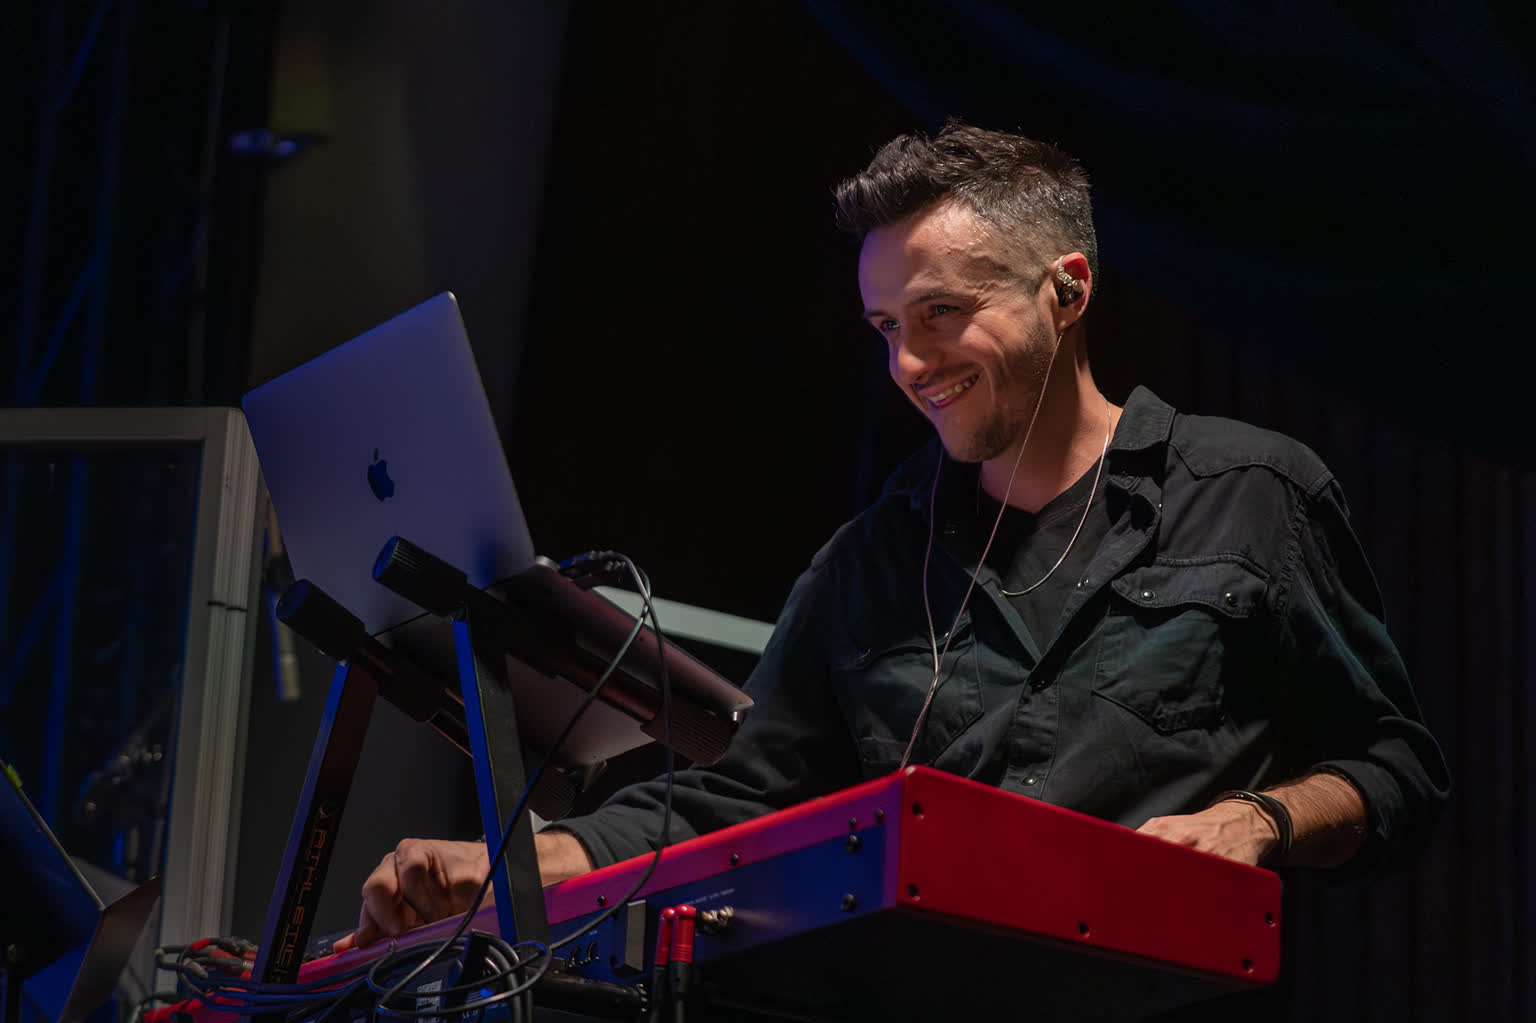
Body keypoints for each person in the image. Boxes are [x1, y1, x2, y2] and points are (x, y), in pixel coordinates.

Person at [336, 122, 1448, 952]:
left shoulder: (1252, 493)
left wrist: (1257, 820)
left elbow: (1395, 769)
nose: (908, 366)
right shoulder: (870, 559)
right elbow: (737, 796)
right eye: (885, 327)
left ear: (1067, 291)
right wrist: (519, 862)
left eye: (940, 314)